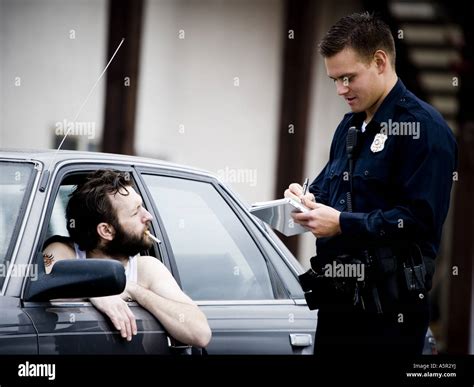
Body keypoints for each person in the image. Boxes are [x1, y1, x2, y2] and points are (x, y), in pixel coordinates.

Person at [285, 12, 457, 355]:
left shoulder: (424, 130)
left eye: (348, 77)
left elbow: (419, 220)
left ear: (380, 61)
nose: (340, 89)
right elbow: (326, 191)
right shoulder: (349, 126)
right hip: (337, 308)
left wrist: (342, 224)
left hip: (389, 320)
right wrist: (304, 198)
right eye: (334, 79)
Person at [43, 169, 212, 348]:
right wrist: (93, 291)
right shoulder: (63, 251)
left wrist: (133, 290)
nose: (148, 216)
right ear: (106, 231)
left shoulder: (145, 269)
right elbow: (40, 287)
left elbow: (200, 334)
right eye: (136, 212)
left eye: (142, 206)